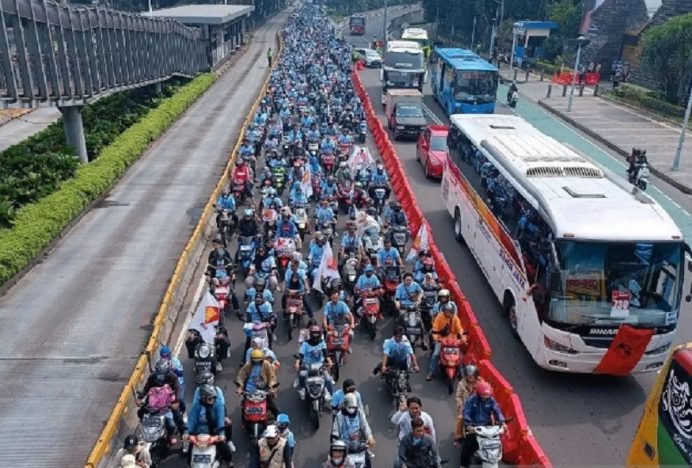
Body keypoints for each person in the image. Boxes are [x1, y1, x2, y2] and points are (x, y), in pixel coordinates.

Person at [185, 384, 233, 467]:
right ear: (203, 398)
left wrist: (221, 435)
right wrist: (186, 432)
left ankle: (229, 462)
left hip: (214, 431)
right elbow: (192, 420)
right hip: (199, 434)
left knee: (224, 449)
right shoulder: (197, 406)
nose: (213, 400)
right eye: (210, 398)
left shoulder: (218, 405)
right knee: (189, 459)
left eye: (214, 397)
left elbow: (220, 419)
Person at [460, 382, 507, 468]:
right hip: (474, 426)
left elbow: (497, 411)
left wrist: (502, 422)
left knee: (496, 444)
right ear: (479, 393)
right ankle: (463, 465)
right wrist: (469, 424)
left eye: (487, 395)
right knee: (469, 446)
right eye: (483, 395)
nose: (485, 397)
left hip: (487, 426)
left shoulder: (491, 400)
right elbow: (466, 413)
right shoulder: (471, 400)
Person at [330, 393, 376, 467]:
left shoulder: (360, 413)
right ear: (345, 405)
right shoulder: (339, 415)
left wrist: (370, 437)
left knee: (367, 461)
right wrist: (336, 444)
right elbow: (335, 431)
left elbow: (365, 426)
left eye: (353, 407)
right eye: (350, 407)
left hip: (359, 444)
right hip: (345, 445)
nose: (352, 409)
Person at [236, 349, 280, 418]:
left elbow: (272, 377)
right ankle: (244, 421)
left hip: (263, 389)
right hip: (249, 390)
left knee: (271, 404)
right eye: (255, 361)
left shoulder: (266, 364)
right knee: (244, 405)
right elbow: (240, 376)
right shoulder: (248, 365)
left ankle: (278, 418)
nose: (257, 363)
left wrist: (271, 387)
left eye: (259, 361)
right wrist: (240, 387)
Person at [427, 303, 465, 381]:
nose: (448, 313)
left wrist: (462, 337)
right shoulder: (439, 317)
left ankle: (461, 373)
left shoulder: (455, 318)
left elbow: (459, 328)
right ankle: (431, 372)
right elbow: (435, 328)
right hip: (441, 339)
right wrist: (436, 338)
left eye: (450, 312)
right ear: (443, 311)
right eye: (446, 311)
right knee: (436, 354)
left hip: (453, 341)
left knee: (460, 356)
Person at [295, 324, 334, 398]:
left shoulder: (322, 342)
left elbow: (326, 353)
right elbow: (301, 355)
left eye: (317, 333)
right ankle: (303, 389)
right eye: (314, 333)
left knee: (328, 379)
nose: (315, 335)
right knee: (302, 375)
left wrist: (329, 361)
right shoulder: (305, 344)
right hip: (308, 365)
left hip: (320, 365)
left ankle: (330, 395)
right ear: (310, 334)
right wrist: (297, 363)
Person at [454, 365, 484, 444]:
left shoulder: (481, 383)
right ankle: (458, 437)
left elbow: (485, 393)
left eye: (472, 376)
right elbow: (458, 396)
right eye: (468, 376)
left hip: (479, 405)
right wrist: (460, 406)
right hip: (466, 406)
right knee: (460, 418)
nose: (470, 378)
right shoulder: (461, 384)